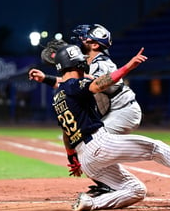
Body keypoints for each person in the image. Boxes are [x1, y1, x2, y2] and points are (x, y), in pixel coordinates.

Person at [29, 45, 170, 211]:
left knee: (136, 190)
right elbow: (99, 84)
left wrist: (72, 158)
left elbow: (66, 133)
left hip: (86, 159)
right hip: (99, 144)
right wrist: (128, 66)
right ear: (76, 63)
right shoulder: (75, 85)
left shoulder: (58, 96)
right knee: (156, 148)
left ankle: (91, 202)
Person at [30, 24, 143, 196]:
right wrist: (46, 78)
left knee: (89, 144)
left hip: (124, 111)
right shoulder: (86, 64)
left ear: (95, 45)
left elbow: (91, 83)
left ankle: (110, 184)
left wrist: (63, 66)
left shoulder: (102, 63)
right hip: (113, 111)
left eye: (84, 38)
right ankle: (109, 182)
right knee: (85, 144)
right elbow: (72, 85)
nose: (79, 40)